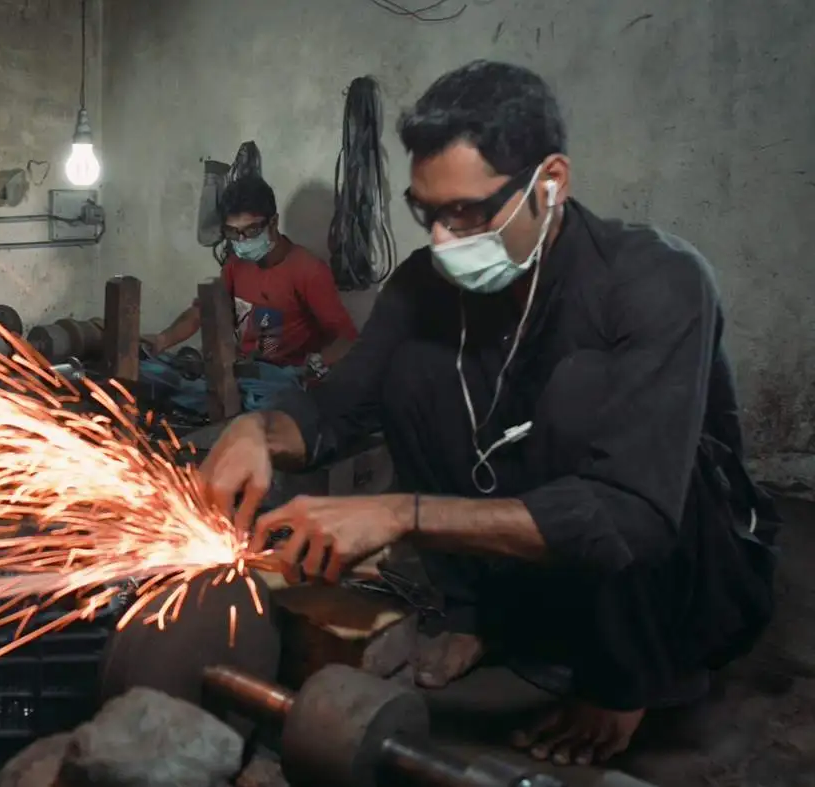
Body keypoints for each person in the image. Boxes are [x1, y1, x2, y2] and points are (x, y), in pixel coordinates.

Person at [199, 61, 778, 766]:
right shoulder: (423, 286)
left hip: (681, 581)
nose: (444, 240)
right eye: (428, 213)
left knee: (575, 395)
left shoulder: (656, 280)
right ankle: (480, 617)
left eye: (469, 212)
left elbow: (633, 513)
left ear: (551, 183)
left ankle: (634, 669)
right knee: (413, 372)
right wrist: (257, 431)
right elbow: (336, 408)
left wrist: (400, 513)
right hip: (542, 565)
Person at [141, 176, 358, 374]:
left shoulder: (308, 271)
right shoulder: (236, 265)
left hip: (286, 383)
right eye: (233, 232)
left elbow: (347, 340)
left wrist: (314, 366)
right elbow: (203, 312)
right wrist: (161, 340)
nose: (242, 241)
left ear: (273, 222)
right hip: (242, 374)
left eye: (251, 230)